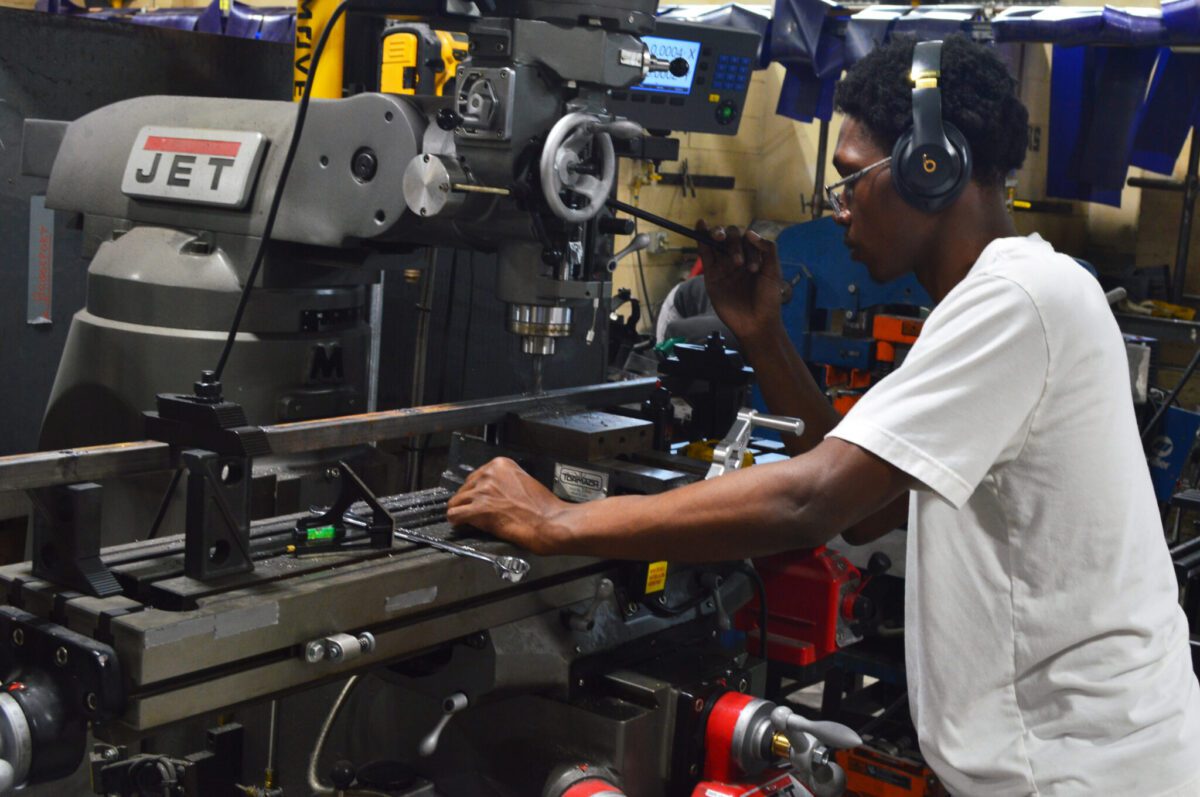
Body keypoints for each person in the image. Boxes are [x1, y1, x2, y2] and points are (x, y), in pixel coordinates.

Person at [448, 35, 1200, 795]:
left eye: (852, 178)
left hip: (1078, 770)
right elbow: (871, 512)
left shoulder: (1018, 302)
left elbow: (813, 500)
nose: (838, 208)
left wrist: (557, 521)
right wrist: (764, 334)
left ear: (930, 168)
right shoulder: (1015, 293)